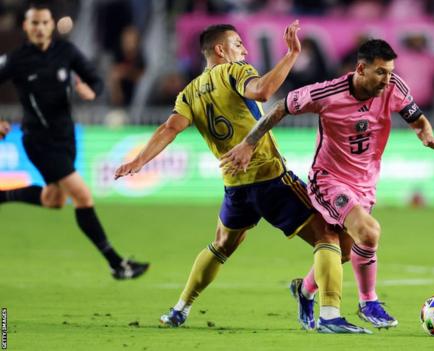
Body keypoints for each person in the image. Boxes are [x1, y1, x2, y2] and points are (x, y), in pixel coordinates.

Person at [114, 22, 370, 334]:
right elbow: (262, 90)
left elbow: (170, 128)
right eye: (237, 44)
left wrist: (139, 160)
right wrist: (291, 54)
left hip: (236, 187)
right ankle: (326, 313)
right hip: (271, 178)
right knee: (333, 239)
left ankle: (180, 308)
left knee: (221, 244)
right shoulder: (233, 71)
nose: (244, 50)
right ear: (220, 50)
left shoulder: (189, 92)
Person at [221, 39, 434, 329]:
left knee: (343, 250)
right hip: (328, 179)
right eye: (380, 72)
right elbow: (281, 107)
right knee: (369, 231)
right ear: (360, 68)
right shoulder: (327, 93)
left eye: (390, 72)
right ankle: (369, 303)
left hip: (365, 183)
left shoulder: (395, 88)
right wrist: (249, 143)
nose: (387, 79)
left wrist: (425, 135)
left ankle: (304, 291)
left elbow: (417, 120)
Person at [0, 4, 149, 280]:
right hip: (38, 140)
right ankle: (117, 264)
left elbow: (96, 80)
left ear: (51, 24)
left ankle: (3, 195)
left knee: (54, 200)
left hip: (67, 138)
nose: (40, 28)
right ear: (26, 27)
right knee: (82, 196)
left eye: (44, 23)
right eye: (34, 23)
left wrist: (88, 88)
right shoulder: (16, 59)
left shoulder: (65, 52)